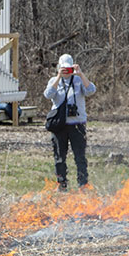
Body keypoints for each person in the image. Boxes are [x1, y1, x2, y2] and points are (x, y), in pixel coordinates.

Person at [43, 54, 96, 191]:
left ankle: (83, 185)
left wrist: (80, 73)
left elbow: (91, 90)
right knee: (60, 157)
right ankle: (62, 184)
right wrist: (59, 77)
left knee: (80, 157)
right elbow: (48, 95)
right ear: (59, 68)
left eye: (68, 68)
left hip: (77, 124)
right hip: (59, 125)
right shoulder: (54, 80)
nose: (66, 71)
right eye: (63, 68)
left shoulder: (78, 80)